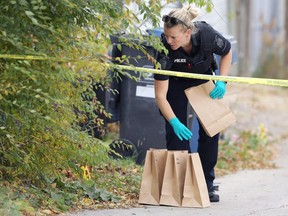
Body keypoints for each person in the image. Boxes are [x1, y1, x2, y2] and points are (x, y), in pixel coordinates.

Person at [154, 4, 232, 202]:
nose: (168, 40)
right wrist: (174, 122)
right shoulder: (163, 48)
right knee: (176, 135)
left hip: (202, 77)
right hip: (176, 83)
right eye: (166, 35)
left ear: (188, 32)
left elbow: (227, 51)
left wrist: (222, 80)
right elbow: (161, 96)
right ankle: (183, 184)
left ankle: (206, 183)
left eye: (174, 37)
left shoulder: (206, 35)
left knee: (211, 129)